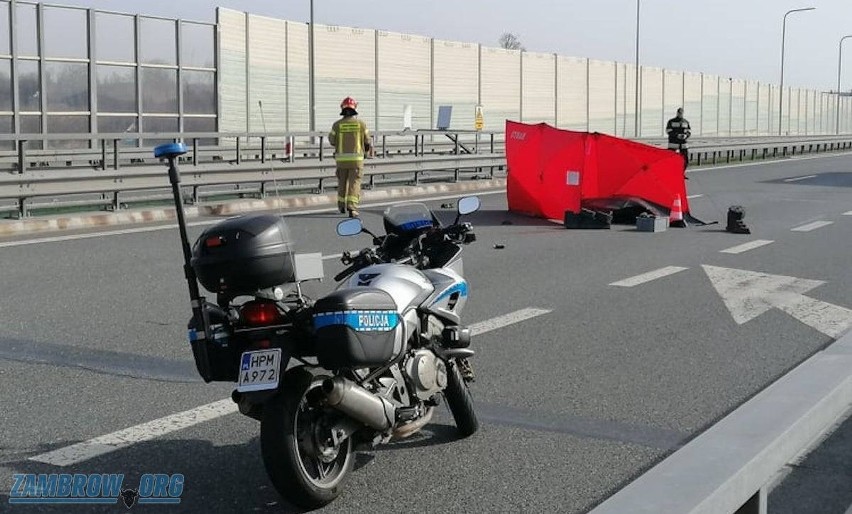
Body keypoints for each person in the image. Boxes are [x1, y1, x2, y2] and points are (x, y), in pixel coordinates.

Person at [329, 97, 372, 218]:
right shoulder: (361, 124)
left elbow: (332, 141)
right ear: (355, 109)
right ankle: (352, 208)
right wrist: (366, 152)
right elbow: (367, 141)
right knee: (354, 183)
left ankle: (341, 205)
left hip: (341, 161)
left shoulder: (337, 125)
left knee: (342, 182)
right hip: (356, 161)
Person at [666, 107, 691, 172]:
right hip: (673, 143)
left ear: (683, 113)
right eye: (679, 113)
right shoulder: (671, 121)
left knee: (685, 159)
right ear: (677, 113)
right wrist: (677, 135)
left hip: (683, 144)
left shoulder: (686, 122)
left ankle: (682, 173)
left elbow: (689, 132)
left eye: (681, 113)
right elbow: (668, 131)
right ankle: (669, 171)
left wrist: (685, 136)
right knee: (669, 159)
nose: (680, 114)